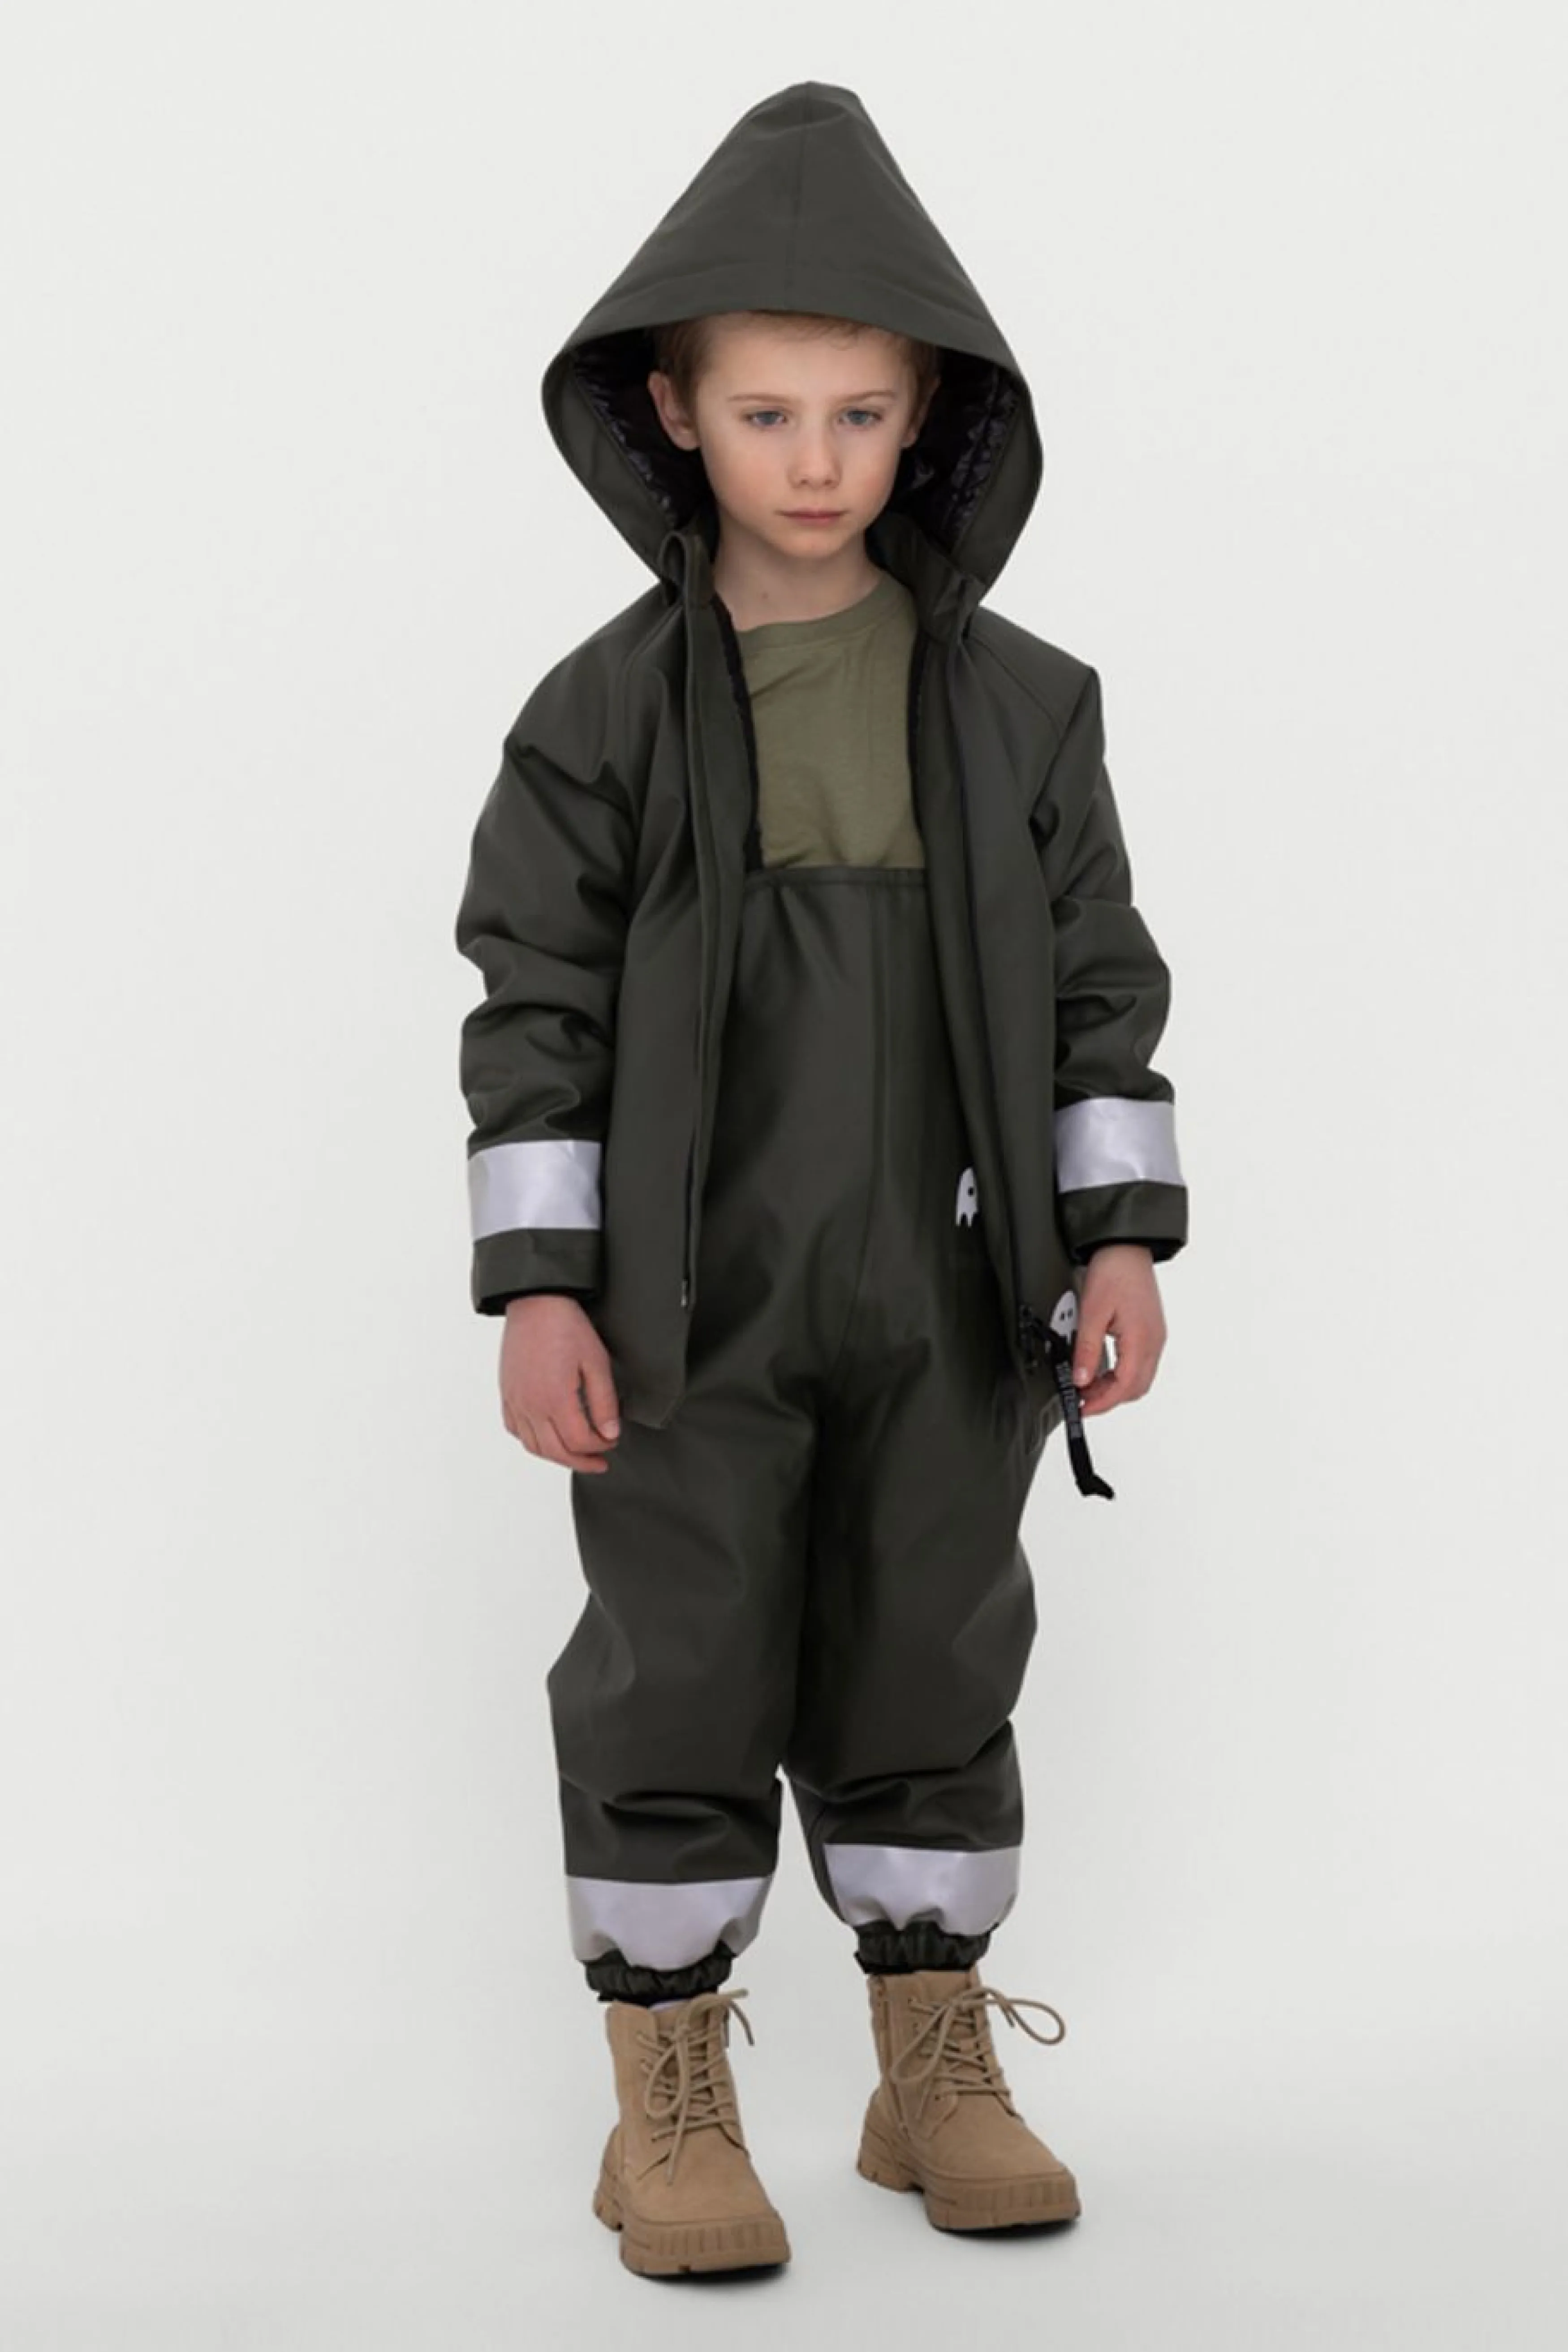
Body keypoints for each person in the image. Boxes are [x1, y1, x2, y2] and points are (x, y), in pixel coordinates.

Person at [454, 80, 1188, 2279]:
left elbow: (1096, 985)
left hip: (953, 1294)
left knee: (928, 1649)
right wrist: (543, 1282)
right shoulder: (596, 717)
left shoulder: (1025, 709)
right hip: (683, 1305)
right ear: (671, 411)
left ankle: (925, 2061)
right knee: (677, 1660)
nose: (811, 458)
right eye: (764, 411)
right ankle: (662, 2093)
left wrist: (1117, 1235)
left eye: (858, 414)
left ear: (925, 415)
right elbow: (534, 1003)